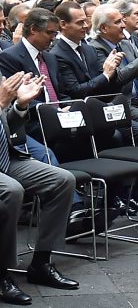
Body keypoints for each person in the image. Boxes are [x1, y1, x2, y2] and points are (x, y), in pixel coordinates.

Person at [1, 72, 80, 304]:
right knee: (11, 190)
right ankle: (2, 274)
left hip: (7, 158)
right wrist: (2, 103)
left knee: (62, 180)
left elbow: (7, 125)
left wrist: (20, 105)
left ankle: (41, 263)